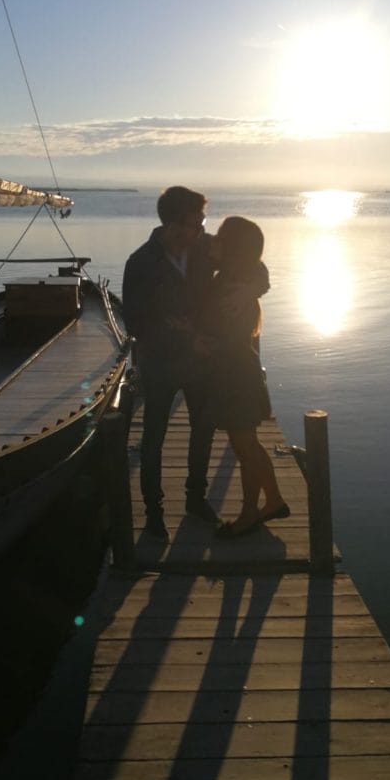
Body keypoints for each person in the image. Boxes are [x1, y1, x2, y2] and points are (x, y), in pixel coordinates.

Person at [122, 185, 219, 540]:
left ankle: (196, 498)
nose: (202, 229)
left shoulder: (206, 250)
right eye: (196, 223)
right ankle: (154, 512)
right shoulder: (140, 262)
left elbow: (251, 268)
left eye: (202, 222)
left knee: (204, 429)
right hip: (160, 364)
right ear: (174, 225)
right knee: (154, 438)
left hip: (200, 363)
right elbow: (134, 322)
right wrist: (178, 332)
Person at [204, 216, 289, 538]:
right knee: (249, 445)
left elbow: (221, 331)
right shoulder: (236, 279)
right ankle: (275, 500)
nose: (213, 239)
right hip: (242, 371)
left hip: (236, 376)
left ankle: (249, 514)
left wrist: (200, 340)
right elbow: (259, 270)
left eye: (220, 237)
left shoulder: (229, 287)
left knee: (245, 449)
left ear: (232, 247)